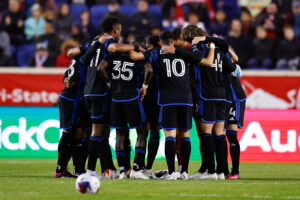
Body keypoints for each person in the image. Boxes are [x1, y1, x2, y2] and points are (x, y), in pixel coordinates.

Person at [129, 30, 215, 180]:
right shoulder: (182, 52)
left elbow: (135, 57)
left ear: (160, 42)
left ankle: (172, 172)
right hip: (186, 98)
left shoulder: (156, 52)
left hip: (168, 99)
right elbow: (202, 59)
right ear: (174, 41)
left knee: (170, 135)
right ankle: (184, 172)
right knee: (185, 135)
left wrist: (130, 47)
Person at [81, 17, 141, 179]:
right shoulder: (108, 42)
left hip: (89, 90)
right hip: (100, 91)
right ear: (115, 31)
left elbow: (73, 53)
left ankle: (108, 168)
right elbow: (114, 47)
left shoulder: (93, 42)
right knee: (98, 131)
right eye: (120, 31)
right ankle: (90, 170)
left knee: (104, 132)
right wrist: (135, 46)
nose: (120, 34)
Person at [180, 25, 237, 180]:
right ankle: (221, 172)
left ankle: (210, 171)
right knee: (220, 134)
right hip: (222, 95)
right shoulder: (219, 46)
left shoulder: (198, 47)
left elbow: (203, 62)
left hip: (206, 94)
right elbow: (232, 65)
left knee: (206, 134)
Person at [98, 36, 153, 179]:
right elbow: (149, 70)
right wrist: (145, 86)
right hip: (132, 98)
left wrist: (109, 83)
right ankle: (136, 168)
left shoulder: (113, 55)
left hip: (116, 98)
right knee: (141, 132)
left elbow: (100, 68)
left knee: (120, 134)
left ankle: (123, 170)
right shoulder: (139, 57)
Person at [54, 41, 91, 178]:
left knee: (80, 133)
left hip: (76, 98)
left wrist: (65, 79)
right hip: (72, 97)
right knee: (69, 132)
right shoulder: (87, 58)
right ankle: (60, 169)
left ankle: (79, 169)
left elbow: (68, 73)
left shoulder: (78, 57)